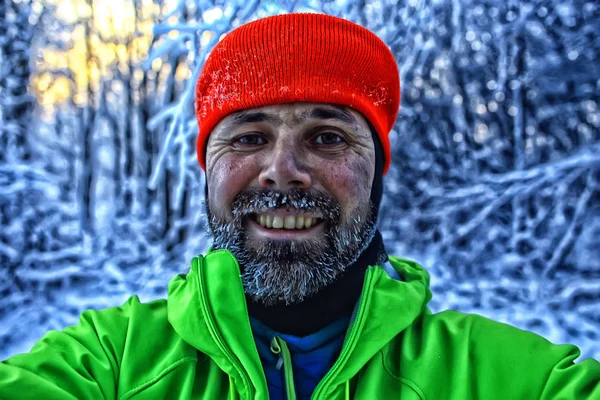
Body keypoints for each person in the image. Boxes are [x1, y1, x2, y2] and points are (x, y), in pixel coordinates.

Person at [1, 12, 599, 400]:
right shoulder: (112, 363)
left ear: (377, 172)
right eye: (249, 137)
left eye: (328, 137)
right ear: (207, 170)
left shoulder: (508, 380)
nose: (282, 170)